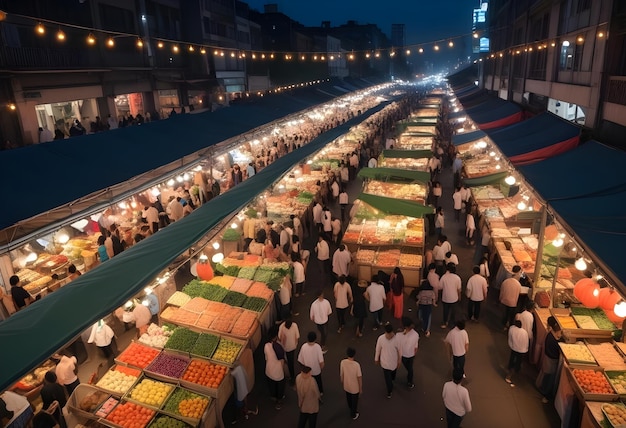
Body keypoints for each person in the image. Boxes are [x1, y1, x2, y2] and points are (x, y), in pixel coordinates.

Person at [375, 323, 401, 399]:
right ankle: (389, 390)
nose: (389, 336)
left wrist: (399, 360)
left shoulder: (397, 340)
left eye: (390, 334)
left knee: (392, 375)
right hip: (385, 362)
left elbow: (400, 350)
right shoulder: (381, 338)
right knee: (387, 379)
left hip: (394, 362)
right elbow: (378, 349)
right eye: (388, 334)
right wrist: (376, 358)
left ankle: (392, 380)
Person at [538, 323, 562, 404]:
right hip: (551, 362)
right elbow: (558, 348)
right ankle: (546, 394)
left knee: (546, 376)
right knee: (550, 379)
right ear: (557, 331)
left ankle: (543, 389)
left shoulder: (549, 335)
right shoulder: (554, 341)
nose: (560, 334)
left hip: (548, 359)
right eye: (560, 332)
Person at [264, 326, 286, 410]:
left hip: (269, 370)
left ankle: (273, 396)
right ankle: (279, 401)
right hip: (278, 371)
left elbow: (266, 358)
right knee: (280, 386)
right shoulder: (279, 347)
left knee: (271, 384)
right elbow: (282, 361)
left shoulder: (266, 346)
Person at [297, 332, 325, 397]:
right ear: (315, 339)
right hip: (316, 370)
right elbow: (321, 362)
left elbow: (300, 359)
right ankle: (320, 392)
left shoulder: (304, 346)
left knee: (309, 383)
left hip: (307, 371)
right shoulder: (317, 347)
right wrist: (321, 368)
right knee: (318, 382)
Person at [340, 347, 362, 420]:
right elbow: (359, 377)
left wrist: (342, 381)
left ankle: (350, 408)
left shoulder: (343, 362)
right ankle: (353, 414)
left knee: (348, 397)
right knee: (354, 401)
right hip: (355, 387)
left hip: (346, 385)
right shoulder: (356, 365)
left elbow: (341, 374)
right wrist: (360, 388)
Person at [505, 319, 529, 386]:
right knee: (518, 360)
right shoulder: (524, 332)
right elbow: (526, 342)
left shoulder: (512, 329)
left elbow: (510, 337)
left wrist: (511, 345)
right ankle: (515, 370)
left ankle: (510, 367)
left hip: (513, 347)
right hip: (521, 350)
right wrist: (525, 349)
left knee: (512, 358)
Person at [397, 317, 419, 389]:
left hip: (404, 355)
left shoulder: (399, 336)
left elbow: (400, 348)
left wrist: (399, 359)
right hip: (411, 354)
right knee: (410, 368)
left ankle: (410, 380)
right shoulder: (416, 334)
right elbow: (416, 345)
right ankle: (410, 381)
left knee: (409, 369)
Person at [279, 317, 300, 384]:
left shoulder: (282, 326)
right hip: (292, 346)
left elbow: (279, 337)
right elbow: (297, 336)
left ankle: (289, 374)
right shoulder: (294, 325)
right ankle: (292, 375)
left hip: (285, 347)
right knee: (291, 361)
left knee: (287, 360)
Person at [440, 263, 461, 328]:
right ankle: (452, 323)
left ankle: (445, 322)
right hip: (454, 298)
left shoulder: (444, 277)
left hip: (445, 297)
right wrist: (459, 296)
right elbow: (459, 289)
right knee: (453, 312)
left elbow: (440, 287)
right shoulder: (457, 278)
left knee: (445, 311)